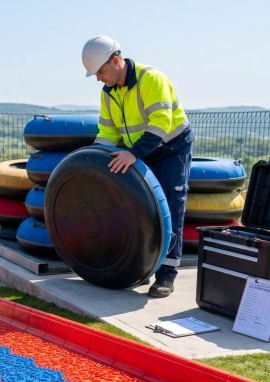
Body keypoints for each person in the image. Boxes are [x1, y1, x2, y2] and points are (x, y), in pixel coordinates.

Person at [81, 35, 193, 298]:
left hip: (170, 148)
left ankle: (166, 276)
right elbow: (107, 131)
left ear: (116, 60)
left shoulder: (151, 79)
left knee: (170, 208)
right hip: (139, 150)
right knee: (136, 210)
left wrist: (133, 154)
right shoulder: (109, 92)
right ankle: (142, 268)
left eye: (101, 71)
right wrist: (96, 161)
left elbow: (161, 123)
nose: (98, 78)